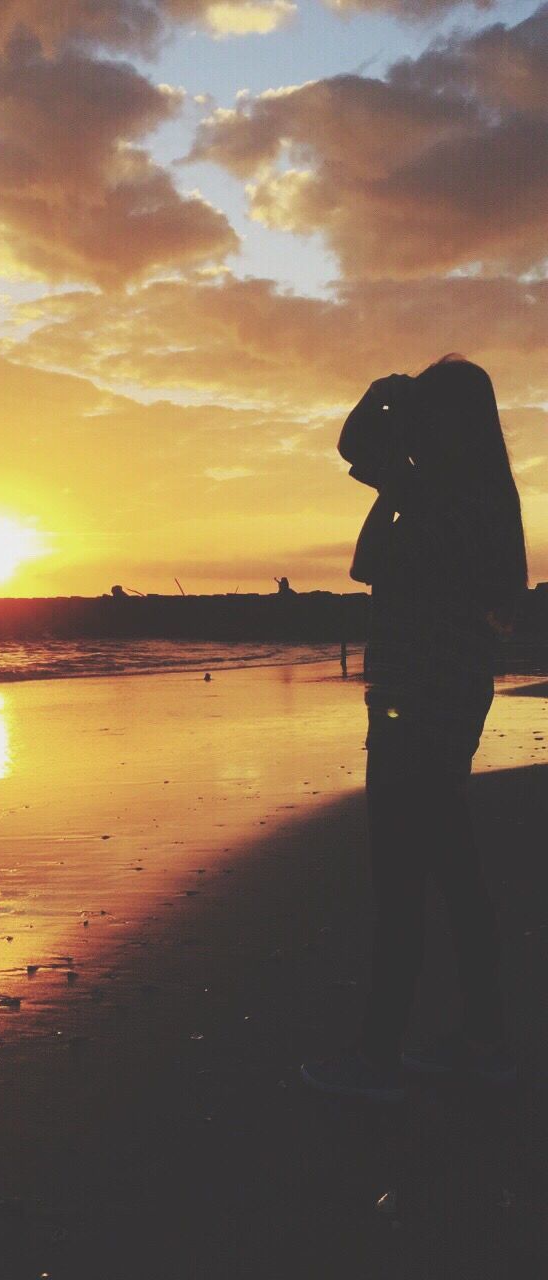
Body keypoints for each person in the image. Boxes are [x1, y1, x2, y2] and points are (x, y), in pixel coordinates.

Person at [300, 355, 528, 1101]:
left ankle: (377, 1056)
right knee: (451, 869)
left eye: (432, 414)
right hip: (441, 701)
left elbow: (359, 451)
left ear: (456, 423)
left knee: (401, 875)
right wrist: (388, 395)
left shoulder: (440, 492)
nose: (419, 427)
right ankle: (485, 1038)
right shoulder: (474, 493)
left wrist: (387, 400)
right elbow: (356, 448)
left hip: (419, 706)